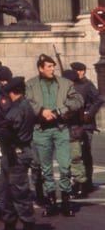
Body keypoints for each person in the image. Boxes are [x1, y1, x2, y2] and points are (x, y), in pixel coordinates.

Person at [25, 53, 84, 217]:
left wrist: (61, 110)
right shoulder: (30, 84)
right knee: (46, 169)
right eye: (49, 66)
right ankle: (51, 201)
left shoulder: (64, 83)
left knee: (65, 166)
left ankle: (65, 201)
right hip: (41, 130)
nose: (52, 69)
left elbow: (78, 100)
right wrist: (41, 111)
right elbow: (26, 102)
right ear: (40, 68)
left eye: (53, 66)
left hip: (60, 128)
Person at [0, 76, 36, 230]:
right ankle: (10, 227)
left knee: (19, 193)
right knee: (5, 192)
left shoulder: (19, 108)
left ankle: (28, 228)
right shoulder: (20, 106)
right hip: (10, 154)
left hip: (16, 153)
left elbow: (8, 130)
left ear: (12, 92)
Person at [70, 61, 104, 192]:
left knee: (84, 153)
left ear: (82, 71)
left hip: (86, 125)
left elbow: (99, 99)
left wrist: (89, 113)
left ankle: (87, 182)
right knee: (75, 155)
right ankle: (79, 181)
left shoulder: (87, 85)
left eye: (76, 70)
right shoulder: (72, 84)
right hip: (75, 125)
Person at [62, 69, 88, 198]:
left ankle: (80, 186)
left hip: (73, 131)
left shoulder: (76, 94)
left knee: (75, 159)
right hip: (68, 131)